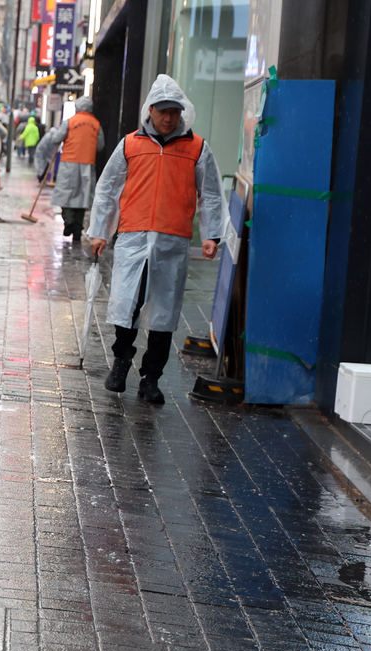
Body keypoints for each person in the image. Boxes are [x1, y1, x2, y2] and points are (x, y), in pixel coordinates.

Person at [87, 75, 227, 405]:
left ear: (182, 113)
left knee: (164, 314)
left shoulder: (197, 148)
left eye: (174, 112)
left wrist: (211, 235)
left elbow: (210, 194)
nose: (168, 118)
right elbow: (107, 189)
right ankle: (121, 362)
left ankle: (151, 378)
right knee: (126, 306)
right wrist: (99, 232)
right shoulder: (130, 145)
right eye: (163, 111)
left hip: (172, 242)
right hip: (133, 238)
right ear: (150, 110)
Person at [43, 96, 104, 243]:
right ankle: (77, 232)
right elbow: (100, 146)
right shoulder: (96, 124)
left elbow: (56, 139)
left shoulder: (70, 122)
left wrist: (54, 134)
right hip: (87, 164)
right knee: (82, 198)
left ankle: (68, 220)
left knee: (66, 194)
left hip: (69, 162)